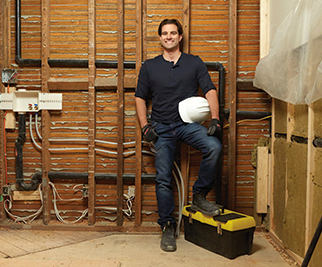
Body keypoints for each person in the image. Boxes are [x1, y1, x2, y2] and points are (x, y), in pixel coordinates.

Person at [135, 18, 222, 252]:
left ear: (180, 37)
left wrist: (215, 119)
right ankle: (167, 227)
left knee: (213, 146)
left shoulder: (194, 63)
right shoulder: (149, 66)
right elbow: (140, 97)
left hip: (187, 124)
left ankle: (200, 196)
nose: (169, 36)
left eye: (173, 33)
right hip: (161, 127)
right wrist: (145, 127)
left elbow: (210, 89)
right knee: (163, 178)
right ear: (160, 38)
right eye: (165, 33)